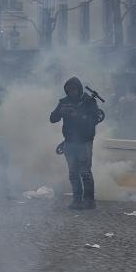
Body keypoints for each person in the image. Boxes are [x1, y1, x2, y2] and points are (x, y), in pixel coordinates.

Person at [50, 77, 100, 210]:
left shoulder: (88, 101)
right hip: (70, 142)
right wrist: (60, 111)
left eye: (74, 89)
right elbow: (52, 119)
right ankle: (77, 200)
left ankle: (89, 200)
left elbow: (95, 118)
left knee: (85, 172)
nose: (72, 92)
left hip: (84, 141)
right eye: (69, 90)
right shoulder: (64, 102)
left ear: (79, 89)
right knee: (73, 173)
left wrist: (77, 115)